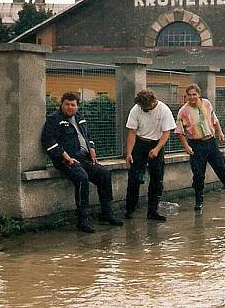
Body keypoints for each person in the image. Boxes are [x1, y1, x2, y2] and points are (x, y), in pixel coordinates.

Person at [41, 92, 123, 233]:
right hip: (65, 160)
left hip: (83, 158)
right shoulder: (54, 119)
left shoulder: (80, 118)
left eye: (73, 105)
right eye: (67, 104)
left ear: (77, 106)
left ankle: (106, 213)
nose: (70, 107)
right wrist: (63, 155)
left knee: (104, 174)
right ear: (61, 104)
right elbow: (48, 141)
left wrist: (91, 149)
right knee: (82, 178)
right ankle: (82, 220)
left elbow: (88, 137)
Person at [175, 84, 225, 211]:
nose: (192, 97)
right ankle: (199, 201)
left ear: (199, 94)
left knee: (221, 168)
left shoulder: (207, 104)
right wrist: (186, 146)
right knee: (198, 174)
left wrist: (219, 132)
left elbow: (214, 119)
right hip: (196, 144)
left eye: (194, 94)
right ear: (186, 96)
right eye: (189, 95)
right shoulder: (183, 111)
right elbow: (179, 132)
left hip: (211, 141)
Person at [124, 89, 176, 221]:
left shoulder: (164, 110)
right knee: (134, 177)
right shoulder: (136, 109)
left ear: (153, 102)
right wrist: (129, 153)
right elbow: (132, 132)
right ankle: (130, 209)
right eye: (142, 107)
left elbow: (166, 132)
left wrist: (157, 149)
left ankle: (152, 211)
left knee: (157, 179)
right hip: (140, 143)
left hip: (156, 142)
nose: (144, 109)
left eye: (147, 107)